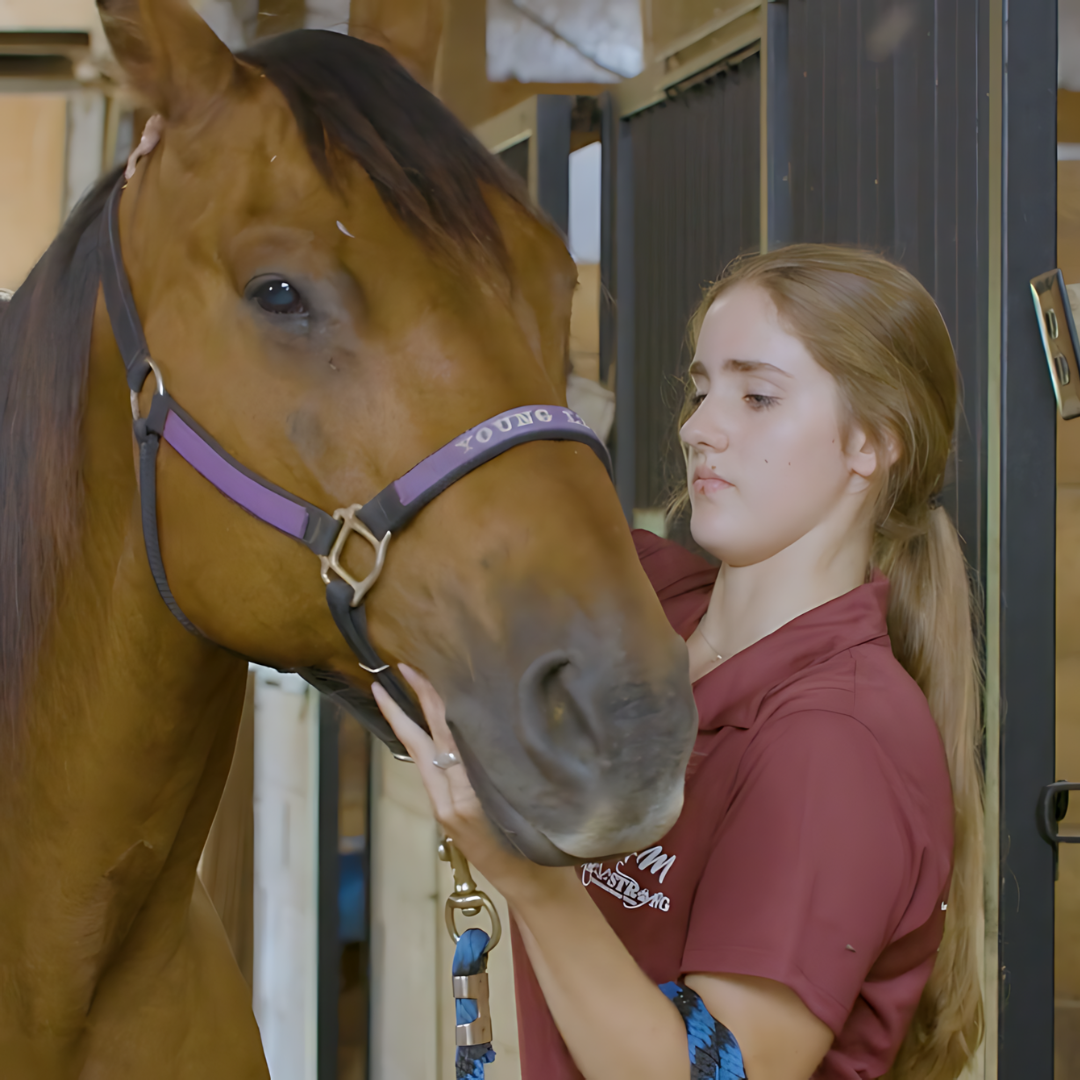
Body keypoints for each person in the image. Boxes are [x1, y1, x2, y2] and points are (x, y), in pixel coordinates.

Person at [373, 245, 984, 1080]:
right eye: (702, 390)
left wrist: (526, 874)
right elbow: (450, 486)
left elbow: (714, 1072)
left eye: (757, 395)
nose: (699, 427)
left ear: (871, 444)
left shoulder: (838, 744)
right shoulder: (652, 606)